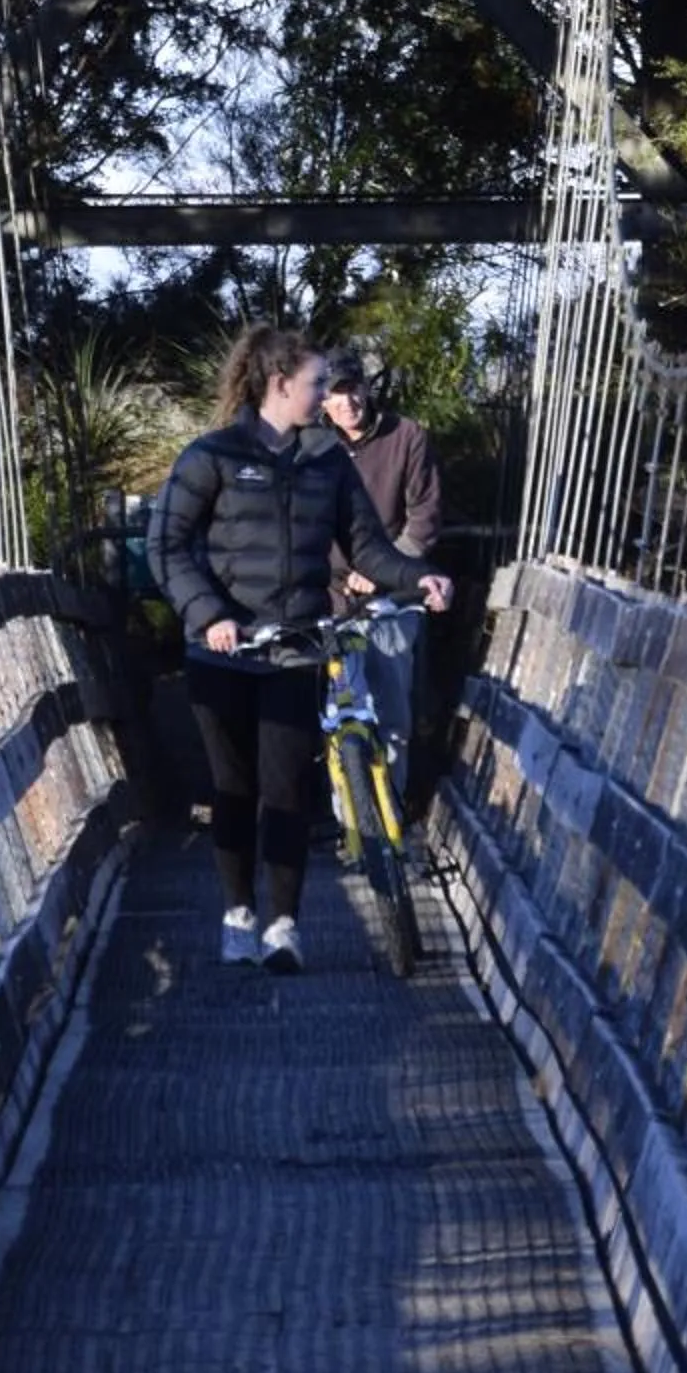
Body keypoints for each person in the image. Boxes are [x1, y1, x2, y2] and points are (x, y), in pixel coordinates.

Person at [148, 326, 452, 972]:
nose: (325, 396)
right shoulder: (212, 457)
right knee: (235, 788)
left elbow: (367, 546)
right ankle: (237, 910)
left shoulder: (327, 464)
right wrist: (207, 616)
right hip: (223, 652)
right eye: (317, 384)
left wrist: (415, 577)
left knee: (285, 788)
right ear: (280, 385)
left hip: (293, 648)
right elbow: (166, 546)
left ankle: (283, 926)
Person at [319, 351, 442, 797]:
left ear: (366, 388)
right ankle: (352, 827)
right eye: (334, 393)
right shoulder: (312, 447)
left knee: (393, 720)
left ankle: (391, 831)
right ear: (321, 401)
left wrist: (387, 571)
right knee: (341, 718)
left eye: (351, 388)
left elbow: (423, 519)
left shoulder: (406, 436)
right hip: (331, 599)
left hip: (392, 598)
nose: (346, 401)